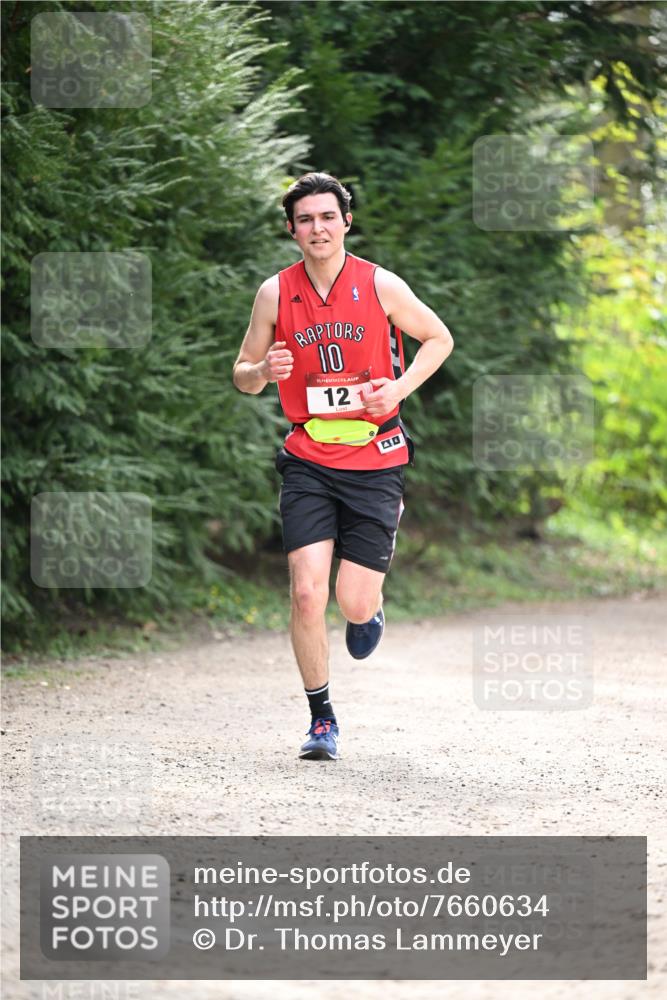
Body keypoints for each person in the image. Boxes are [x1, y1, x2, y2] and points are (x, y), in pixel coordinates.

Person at [233, 172, 453, 761]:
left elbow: (438, 338)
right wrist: (264, 372)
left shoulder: (379, 284)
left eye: (327, 216)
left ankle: (370, 605)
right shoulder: (275, 294)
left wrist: (398, 389)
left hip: (376, 459)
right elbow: (242, 373)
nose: (317, 228)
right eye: (305, 219)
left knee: (352, 603)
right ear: (291, 228)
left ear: (345, 221)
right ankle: (322, 719)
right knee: (307, 594)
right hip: (308, 459)